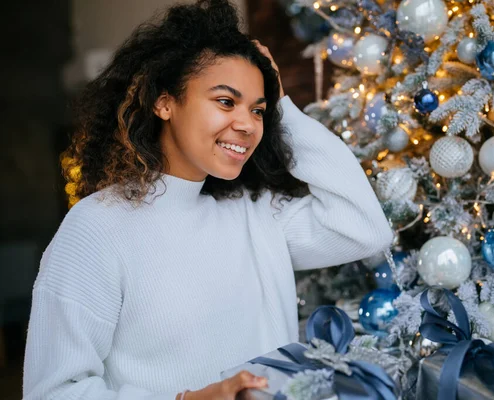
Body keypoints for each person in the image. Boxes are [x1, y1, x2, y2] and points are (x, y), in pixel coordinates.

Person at [22, 1, 393, 399]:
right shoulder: (95, 229)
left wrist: (284, 108)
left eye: (258, 110)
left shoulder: (256, 215)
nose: (247, 124)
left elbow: (366, 231)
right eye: (225, 101)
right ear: (164, 102)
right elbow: (53, 392)